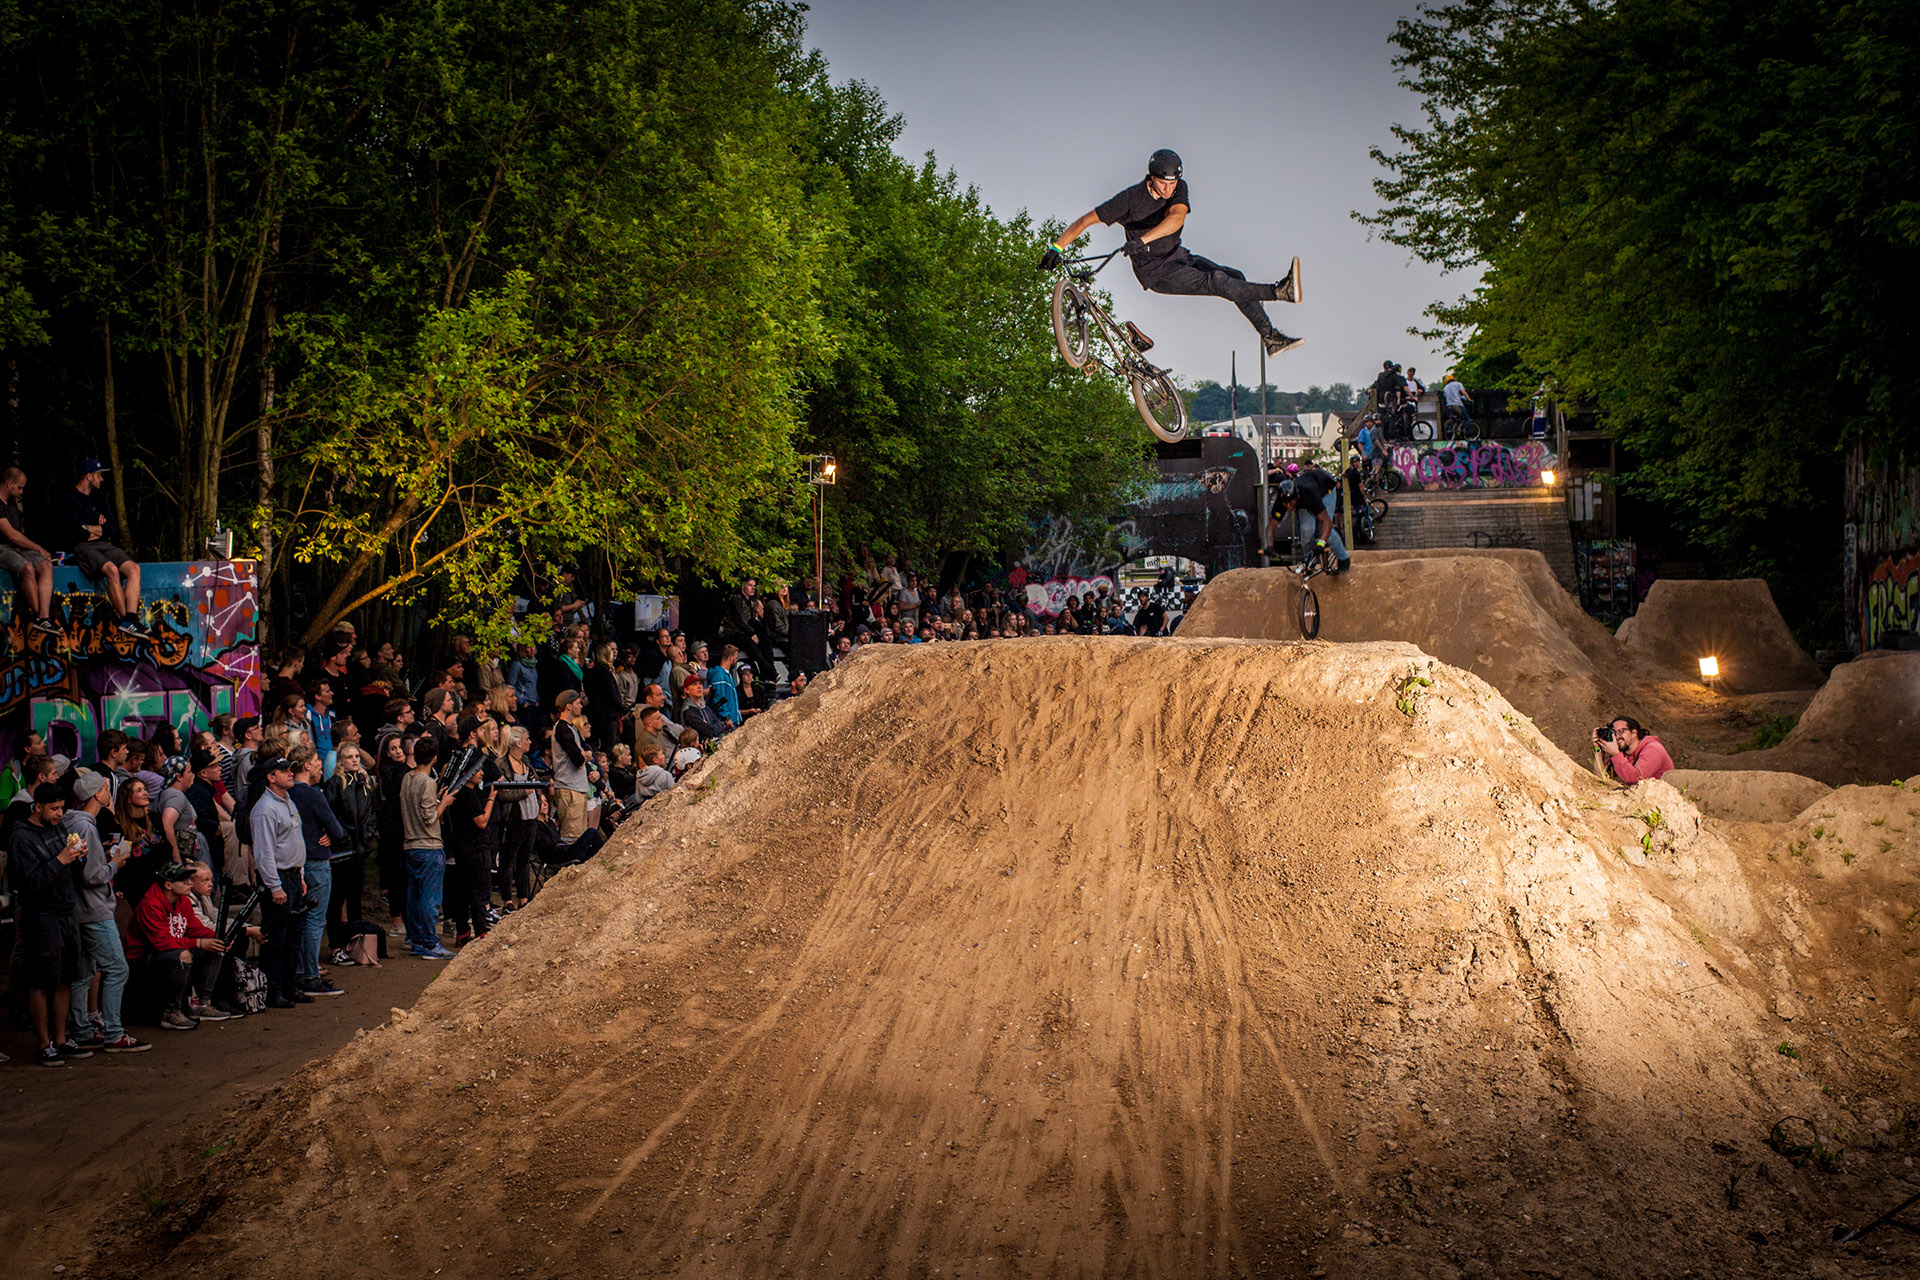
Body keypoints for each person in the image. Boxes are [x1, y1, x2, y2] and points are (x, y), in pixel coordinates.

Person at [1041, 149, 1303, 358]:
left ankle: (1270, 338)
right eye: (1162, 183)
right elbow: (1086, 220)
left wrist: (1142, 239)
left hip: (1179, 257)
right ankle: (1279, 291)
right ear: (1151, 177)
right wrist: (1057, 247)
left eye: (1172, 183)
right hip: (1157, 273)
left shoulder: (1179, 188)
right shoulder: (1128, 200)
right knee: (1219, 283)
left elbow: (1176, 219)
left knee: (1234, 275)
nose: (1168, 189)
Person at [64, 771, 147, 1052]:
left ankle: (82, 1030)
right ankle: (114, 1032)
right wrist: (115, 864)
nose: (108, 793)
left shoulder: (71, 821)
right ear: (98, 795)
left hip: (79, 909)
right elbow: (91, 875)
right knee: (117, 968)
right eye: (105, 789)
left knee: (84, 972)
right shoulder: (85, 826)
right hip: (94, 908)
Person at [11, 784, 93, 1065]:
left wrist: (78, 857)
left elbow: (70, 870)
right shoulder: (21, 837)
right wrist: (61, 859)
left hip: (66, 911)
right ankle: (43, 1043)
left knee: (65, 978)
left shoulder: (59, 828)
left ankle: (61, 1039)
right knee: (41, 981)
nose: (60, 814)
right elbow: (29, 882)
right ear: (38, 808)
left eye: (62, 808)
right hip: (41, 915)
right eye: (54, 809)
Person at [124, 861, 229, 1030]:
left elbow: (195, 928)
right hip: (143, 958)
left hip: (168, 951)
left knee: (215, 949)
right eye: (184, 881)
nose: (189, 884)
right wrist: (200, 943)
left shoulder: (183, 901)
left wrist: (219, 939)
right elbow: (161, 942)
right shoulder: (151, 904)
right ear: (169, 885)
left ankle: (202, 1004)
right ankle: (171, 1012)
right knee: (183, 955)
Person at [248, 756, 312, 1008]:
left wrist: (301, 876)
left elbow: (294, 841)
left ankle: (289, 986)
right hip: (279, 877)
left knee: (294, 934)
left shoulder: (288, 802)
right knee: (277, 938)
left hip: (294, 875)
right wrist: (275, 886)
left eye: (290, 770)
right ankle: (273, 991)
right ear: (270, 777)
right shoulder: (265, 809)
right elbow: (264, 853)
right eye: (283, 771)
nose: (290, 773)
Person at [58, 458, 147, 635]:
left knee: (133, 569)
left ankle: (131, 619)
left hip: (103, 544)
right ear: (88, 476)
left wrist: (91, 529)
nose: (102, 479)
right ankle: (125, 621)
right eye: (99, 476)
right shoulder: (70, 498)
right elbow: (76, 532)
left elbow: (111, 528)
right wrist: (97, 529)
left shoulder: (99, 498)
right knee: (111, 570)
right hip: (83, 547)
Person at [400, 736, 458, 959]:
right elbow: (429, 817)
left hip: (410, 845)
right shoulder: (427, 782)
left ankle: (417, 940)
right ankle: (431, 943)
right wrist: (443, 803)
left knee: (414, 896)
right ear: (434, 759)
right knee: (430, 897)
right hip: (429, 845)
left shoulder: (407, 778)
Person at [0, 467, 61, 637]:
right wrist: (37, 547)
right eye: (19, 487)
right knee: (27, 568)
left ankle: (44, 617)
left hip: (16, 547)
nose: (21, 491)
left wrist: (38, 552)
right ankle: (40, 618)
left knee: (45, 565)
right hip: (2, 548)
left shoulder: (12, 503)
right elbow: (12, 535)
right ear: (9, 483)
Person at [494, 725, 543, 910]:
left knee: (524, 858)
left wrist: (540, 798)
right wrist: (525, 792)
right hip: (513, 817)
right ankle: (507, 900)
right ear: (517, 742)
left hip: (530, 815)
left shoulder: (525, 761)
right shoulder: (502, 764)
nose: (529, 742)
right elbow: (503, 793)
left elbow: (536, 782)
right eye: (527, 739)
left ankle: (523, 898)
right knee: (509, 858)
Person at [548, 690, 594, 841]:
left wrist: (585, 755)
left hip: (578, 787)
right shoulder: (562, 728)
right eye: (578, 703)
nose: (581, 706)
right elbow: (578, 758)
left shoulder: (572, 728)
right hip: (569, 787)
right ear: (568, 706)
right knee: (571, 834)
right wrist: (584, 756)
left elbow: (585, 752)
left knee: (580, 833)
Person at [1590, 716, 1674, 784]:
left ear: (1634, 733)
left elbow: (1635, 778)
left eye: (1620, 731)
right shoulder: (1624, 753)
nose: (1617, 737)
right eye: (1614, 733)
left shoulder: (1653, 749)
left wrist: (1616, 754)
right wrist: (1598, 749)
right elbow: (1601, 777)